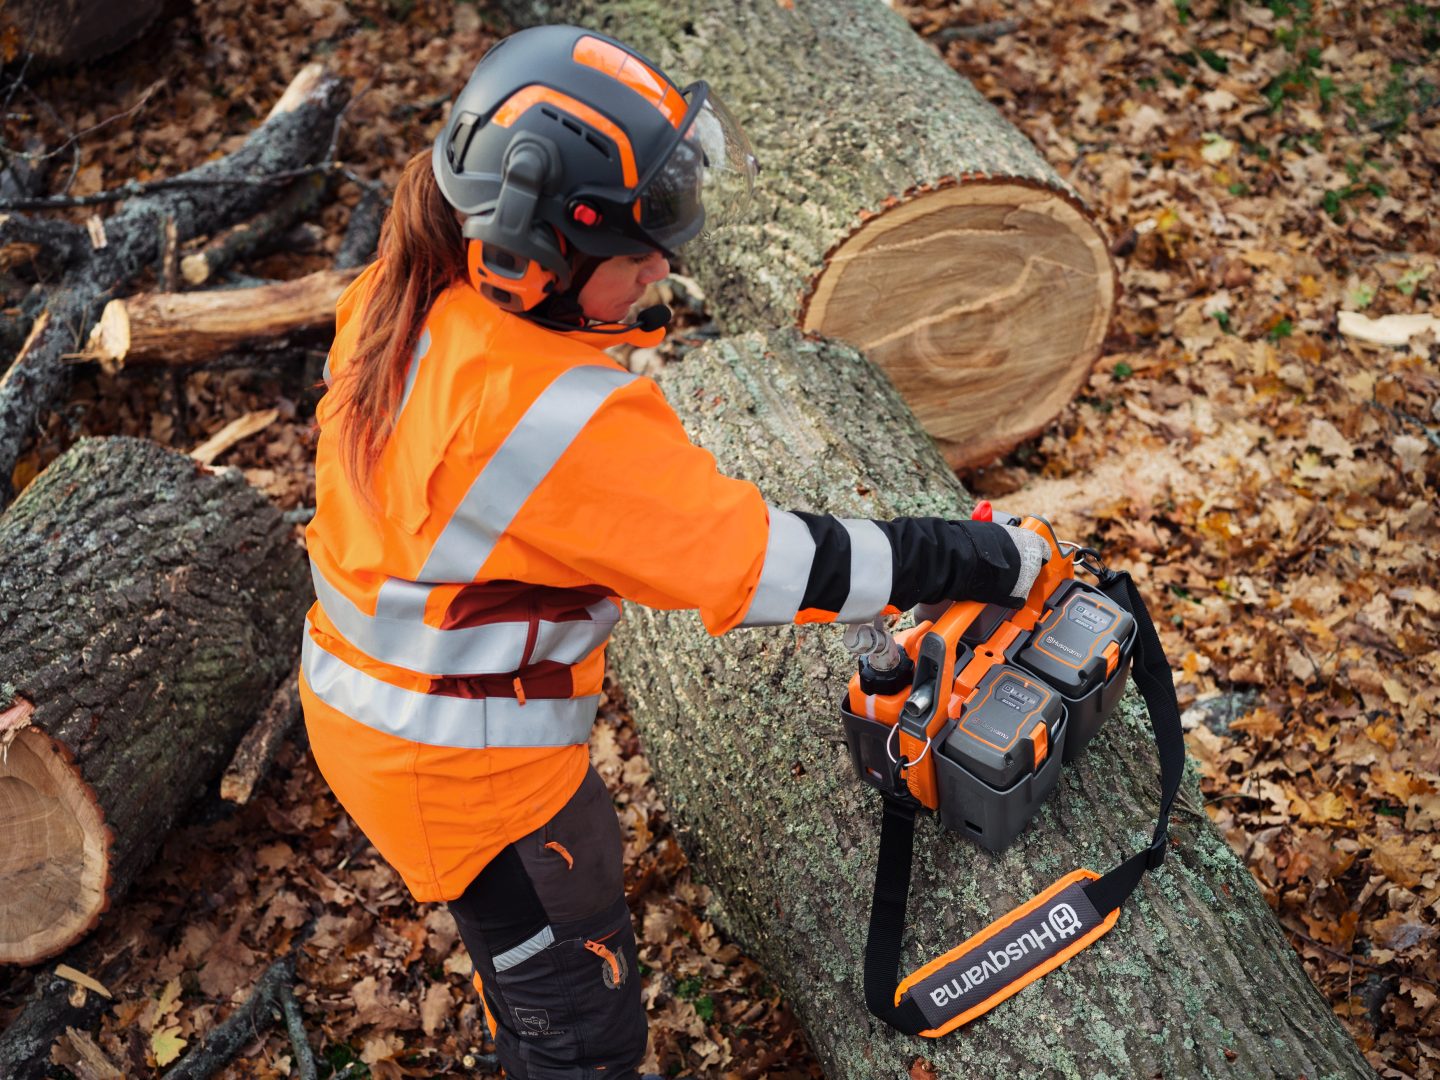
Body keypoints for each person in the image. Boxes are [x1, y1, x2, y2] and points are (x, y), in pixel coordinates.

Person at [299, 24, 1049, 1080]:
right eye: (638, 252)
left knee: (524, 962)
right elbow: (771, 567)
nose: (664, 266)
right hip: (472, 778)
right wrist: (976, 561)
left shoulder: (409, 288)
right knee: (576, 1020)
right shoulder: (555, 421)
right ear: (527, 259)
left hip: (372, 712)